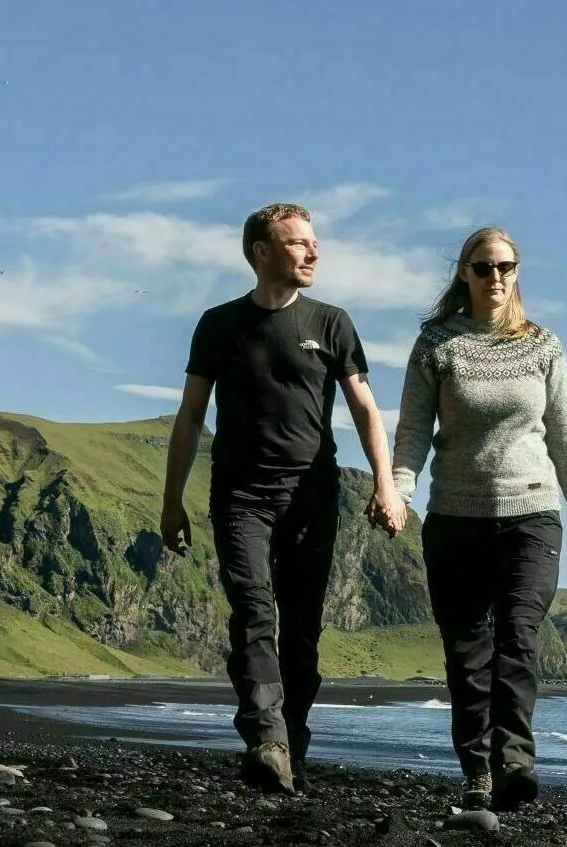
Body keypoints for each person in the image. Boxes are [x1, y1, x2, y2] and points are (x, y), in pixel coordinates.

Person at [160, 202, 405, 794]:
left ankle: (290, 735)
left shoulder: (331, 323)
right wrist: (171, 500)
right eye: (298, 243)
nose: (313, 252)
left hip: (312, 496)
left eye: (314, 242)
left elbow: (366, 409)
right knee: (252, 610)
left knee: (301, 630)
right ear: (262, 253)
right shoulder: (218, 325)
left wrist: (385, 484)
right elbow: (191, 417)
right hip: (240, 493)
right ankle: (266, 737)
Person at [392, 226, 567, 812]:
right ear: (464, 273)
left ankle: (515, 761)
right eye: (483, 267)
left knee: (520, 637)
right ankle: (477, 772)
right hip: (456, 518)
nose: (496, 277)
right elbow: (412, 432)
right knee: (466, 652)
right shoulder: (436, 345)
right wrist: (399, 492)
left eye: (506, 266)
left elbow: (564, 435)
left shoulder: (544, 347)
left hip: (532, 514)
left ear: (517, 271)